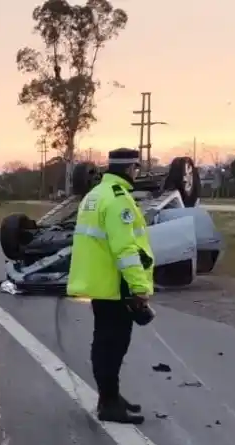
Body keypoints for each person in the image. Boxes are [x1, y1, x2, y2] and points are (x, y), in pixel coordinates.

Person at [66, 148, 154, 424]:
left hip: (101, 283)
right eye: (136, 168)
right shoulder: (118, 200)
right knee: (113, 345)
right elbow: (125, 248)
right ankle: (108, 402)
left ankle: (111, 395)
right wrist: (140, 286)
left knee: (105, 342)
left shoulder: (95, 196)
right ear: (130, 169)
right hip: (116, 285)